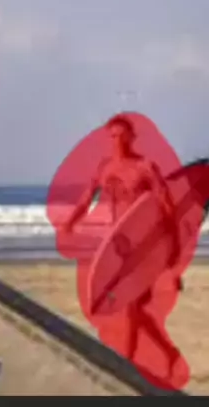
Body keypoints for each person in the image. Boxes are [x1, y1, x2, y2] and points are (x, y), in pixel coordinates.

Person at [61, 114, 182, 377]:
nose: (117, 140)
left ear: (132, 137)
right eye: (113, 136)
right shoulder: (104, 168)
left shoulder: (145, 167)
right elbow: (86, 199)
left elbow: (167, 207)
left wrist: (173, 248)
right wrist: (69, 223)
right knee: (130, 307)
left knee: (129, 306)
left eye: (122, 135)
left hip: (143, 247)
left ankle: (126, 367)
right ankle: (167, 354)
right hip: (115, 247)